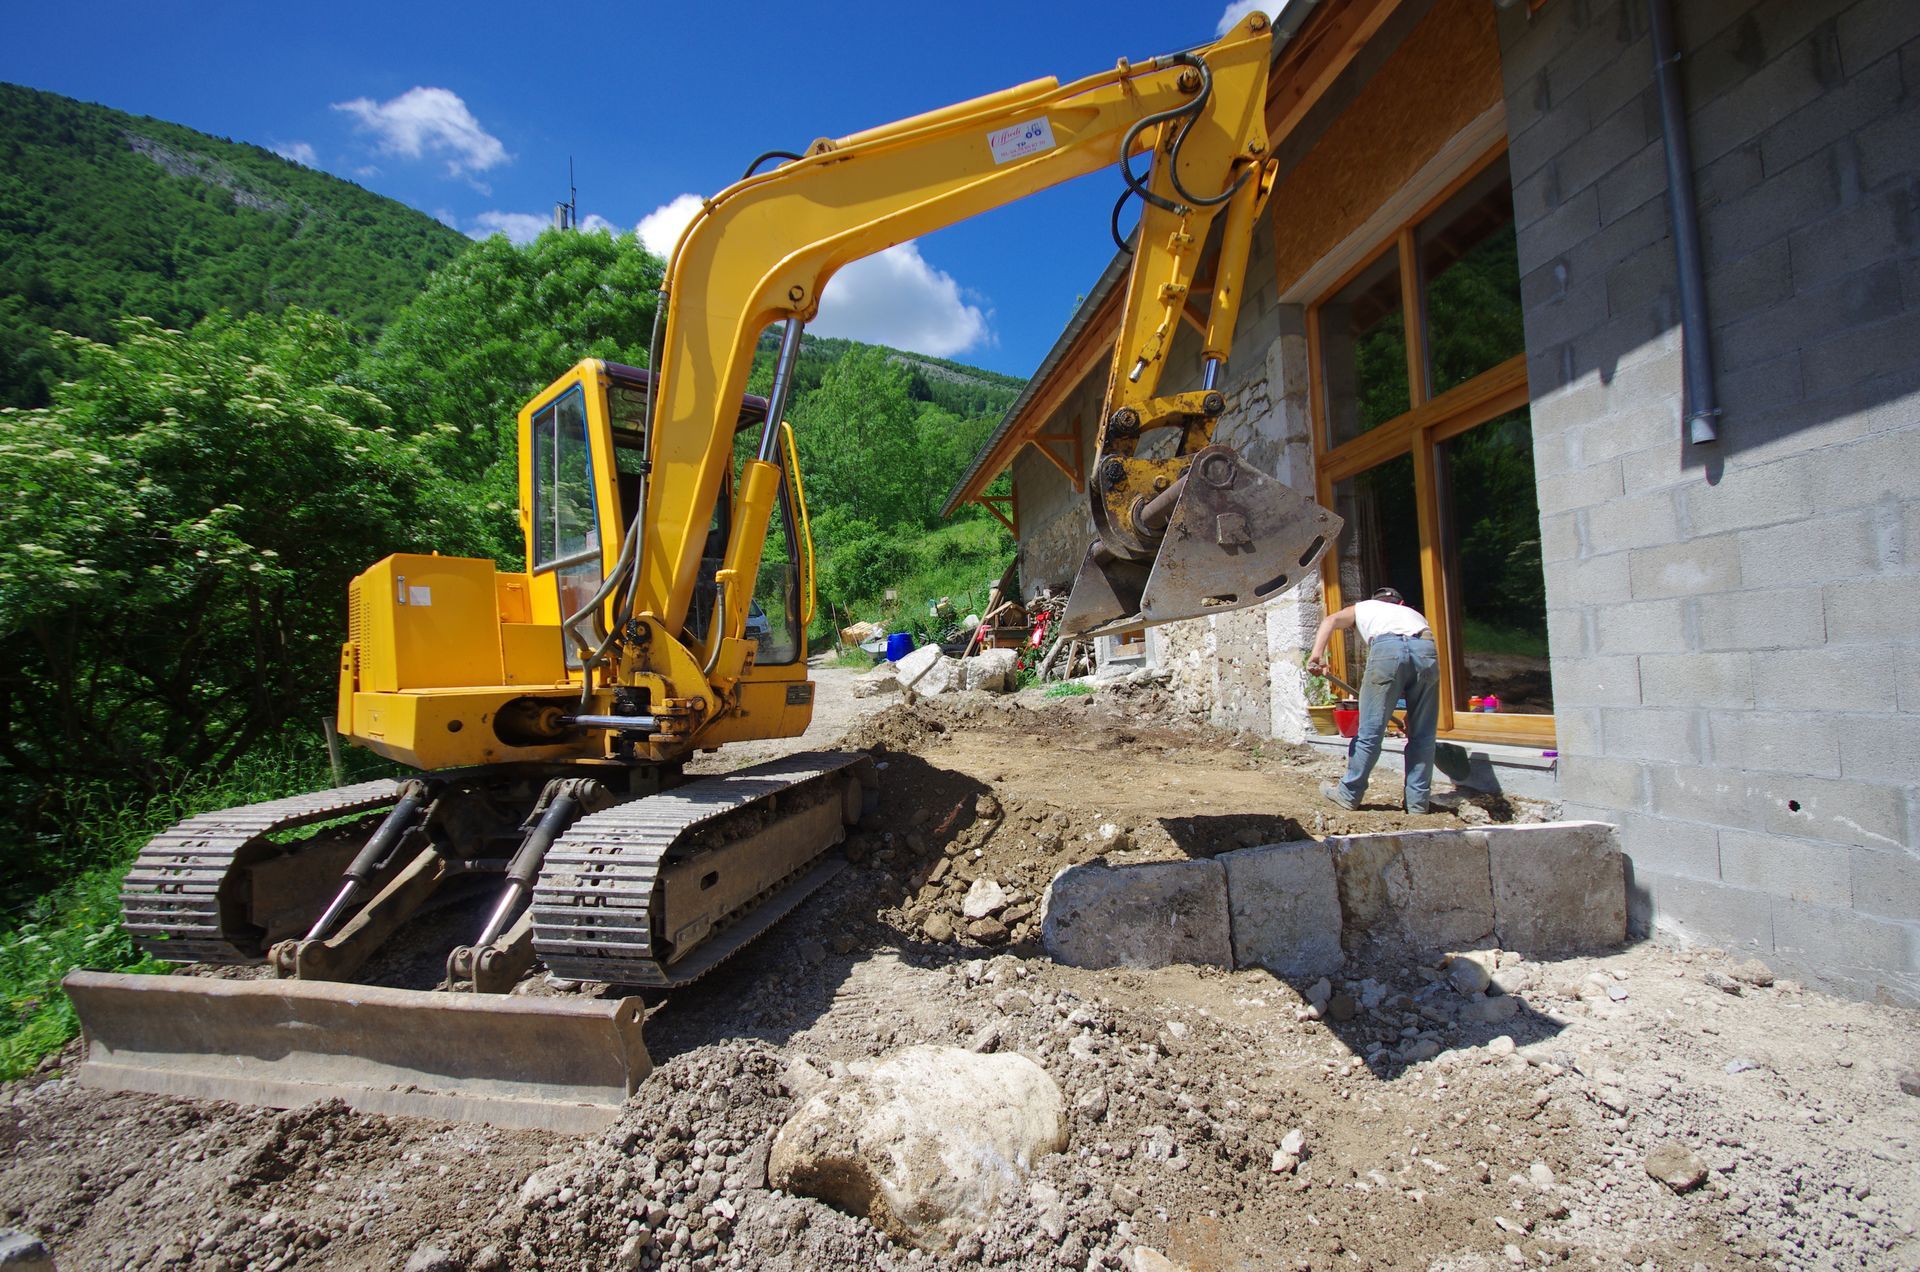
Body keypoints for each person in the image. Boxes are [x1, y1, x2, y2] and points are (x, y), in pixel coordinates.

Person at [1307, 587, 1439, 814]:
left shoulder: (1363, 608)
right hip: (1425, 649)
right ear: (1400, 603)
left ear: (1374, 601)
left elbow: (1330, 620)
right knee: (1423, 735)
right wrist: (1412, 713)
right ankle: (1418, 804)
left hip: (1387, 650)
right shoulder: (1413, 614)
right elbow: (1415, 655)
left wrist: (1316, 656)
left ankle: (1348, 794)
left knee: (1371, 731)